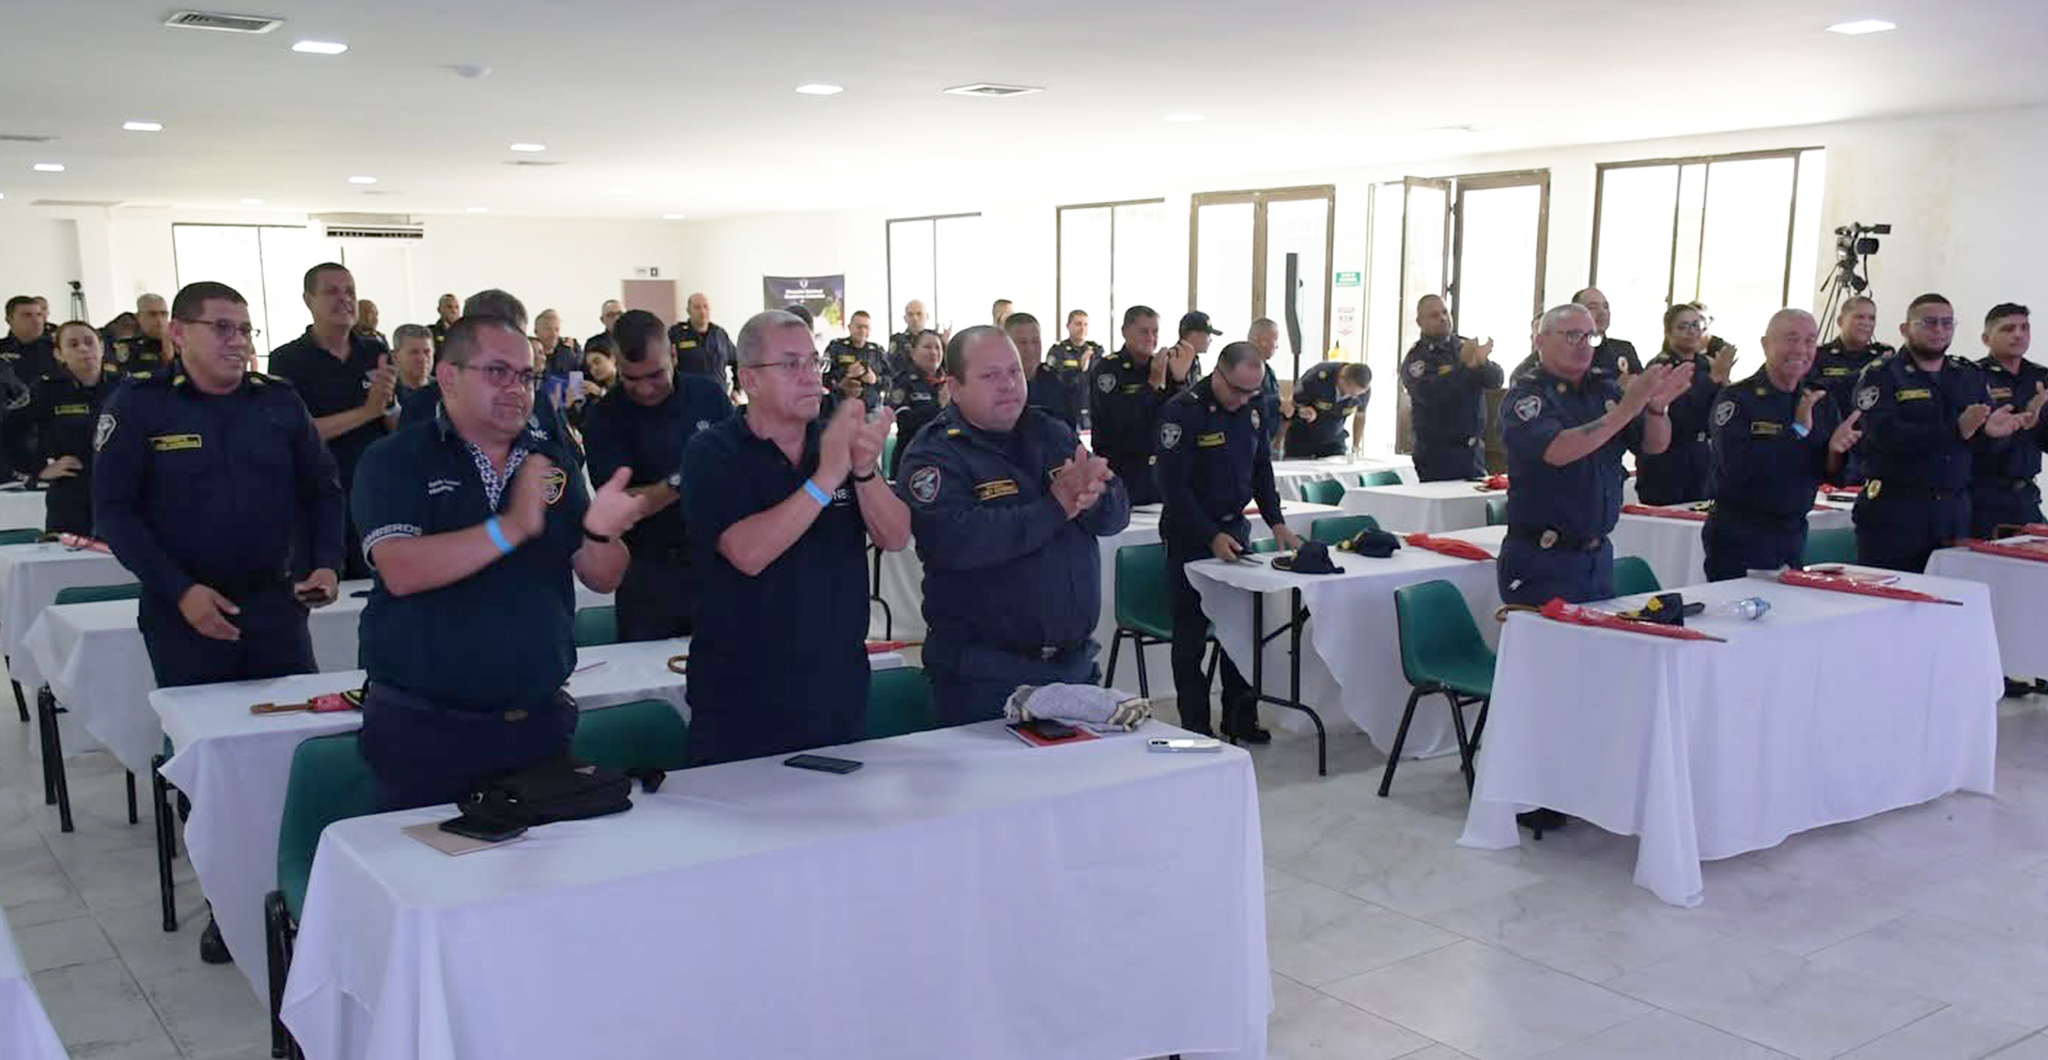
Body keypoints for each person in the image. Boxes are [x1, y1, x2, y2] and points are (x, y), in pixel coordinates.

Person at [93, 280, 345, 961]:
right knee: (210, 767)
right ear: (178, 334)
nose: (238, 341)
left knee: (297, 749)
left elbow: (321, 488)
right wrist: (179, 591)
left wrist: (325, 562)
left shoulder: (277, 402)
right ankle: (224, 900)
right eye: (222, 328)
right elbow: (113, 513)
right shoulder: (140, 405)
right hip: (185, 616)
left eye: (245, 329)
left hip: (274, 606)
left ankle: (306, 889)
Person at [352, 315, 644, 811]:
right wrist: (509, 528)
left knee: (544, 883)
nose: (516, 389)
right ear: (448, 377)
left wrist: (601, 530)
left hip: (537, 723)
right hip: (426, 729)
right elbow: (400, 570)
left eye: (526, 376)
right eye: (497, 373)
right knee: (432, 878)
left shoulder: (549, 461)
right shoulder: (397, 458)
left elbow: (602, 576)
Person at [680, 310, 910, 765]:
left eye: (814, 363)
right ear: (750, 379)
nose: (811, 378)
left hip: (835, 691)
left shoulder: (834, 443)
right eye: (791, 365)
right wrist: (826, 479)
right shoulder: (713, 451)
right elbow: (748, 553)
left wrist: (863, 468)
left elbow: (896, 535)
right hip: (743, 699)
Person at [898, 326, 1127, 723]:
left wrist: (1095, 497)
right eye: (990, 376)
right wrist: (1055, 506)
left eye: (1014, 372)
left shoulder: (1051, 431)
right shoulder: (934, 454)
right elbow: (957, 541)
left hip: (1073, 667)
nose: (1007, 386)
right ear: (954, 386)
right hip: (984, 678)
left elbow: (1116, 516)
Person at [1156, 342, 1304, 741]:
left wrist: (1276, 522)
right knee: (1190, 639)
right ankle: (1196, 726)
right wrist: (1209, 535)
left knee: (1240, 632)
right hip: (1190, 534)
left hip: (1235, 532)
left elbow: (1261, 471)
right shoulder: (1182, 411)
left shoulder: (1253, 410)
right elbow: (1174, 487)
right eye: (1236, 391)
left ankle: (1240, 717)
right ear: (1218, 374)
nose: (1242, 400)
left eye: (1251, 393)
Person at [1498, 304, 1688, 606]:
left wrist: (1656, 408)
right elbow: (1558, 450)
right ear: (1541, 341)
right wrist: (1627, 409)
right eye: (1573, 336)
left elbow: (1653, 446)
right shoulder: (1527, 396)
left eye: (1590, 336)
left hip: (1596, 556)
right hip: (1543, 557)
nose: (1584, 345)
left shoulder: (1603, 388)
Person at [581, 310, 733, 641]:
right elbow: (617, 506)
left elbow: (737, 469)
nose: (646, 389)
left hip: (717, 564)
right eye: (631, 379)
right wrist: (682, 480)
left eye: (655, 375)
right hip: (647, 575)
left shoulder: (709, 397)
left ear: (673, 356)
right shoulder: (605, 417)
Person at [1853, 293, 2024, 572]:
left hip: (1954, 512)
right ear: (1905, 329)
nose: (1940, 330)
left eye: (1947, 323)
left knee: (1948, 604)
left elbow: (1977, 446)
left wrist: (1993, 435)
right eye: (1929, 323)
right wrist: (1955, 430)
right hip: (1896, 512)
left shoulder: (1967, 374)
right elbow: (1884, 436)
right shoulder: (1881, 374)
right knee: (1892, 606)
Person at [1702, 309, 1861, 580]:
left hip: (1793, 534)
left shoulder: (1820, 399)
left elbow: (1831, 474)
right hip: (1741, 534)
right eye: (1791, 339)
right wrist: (1796, 431)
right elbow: (1739, 468)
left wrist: (1836, 451)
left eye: (1810, 341)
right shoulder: (1738, 399)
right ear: (1765, 344)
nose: (1801, 349)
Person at [268, 263, 396, 581]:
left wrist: (389, 405)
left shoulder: (375, 351)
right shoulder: (287, 359)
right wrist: (367, 411)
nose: (344, 299)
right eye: (332, 291)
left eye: (350, 291)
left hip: (373, 493)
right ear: (308, 300)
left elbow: (391, 424)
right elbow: (297, 435)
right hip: (319, 501)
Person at [4, 322, 114, 533]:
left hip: (123, 491)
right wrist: (38, 469)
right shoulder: (47, 390)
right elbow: (8, 431)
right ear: (59, 354)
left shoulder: (125, 387)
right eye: (73, 344)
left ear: (101, 347)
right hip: (72, 494)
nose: (83, 349)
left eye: (89, 342)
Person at [1088, 306, 1196, 505]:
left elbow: (1184, 418)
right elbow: (1117, 423)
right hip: (1121, 474)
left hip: (1158, 475)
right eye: (1143, 331)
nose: (1151, 338)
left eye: (1155, 332)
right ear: (1124, 332)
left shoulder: (1164, 366)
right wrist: (1152, 385)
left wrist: (1180, 381)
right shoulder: (1108, 369)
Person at [1634, 303, 1734, 504]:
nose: (1691, 332)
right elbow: (1679, 414)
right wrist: (1714, 380)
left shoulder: (1707, 364)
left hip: (1702, 456)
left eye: (1695, 325)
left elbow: (1721, 411)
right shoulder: (1661, 365)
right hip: (1669, 459)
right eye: (1683, 326)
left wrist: (1723, 381)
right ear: (1669, 332)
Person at [1970, 303, 2048, 538]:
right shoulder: (1971, 377)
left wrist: (2037, 424)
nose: (2018, 334)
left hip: (2026, 495)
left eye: (2024, 328)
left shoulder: (2042, 377)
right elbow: (1959, 441)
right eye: (2008, 329)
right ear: (1986, 338)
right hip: (1981, 497)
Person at [1402, 295, 1501, 479]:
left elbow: (1496, 380)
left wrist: (1481, 363)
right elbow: (1430, 394)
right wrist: (1465, 368)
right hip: (1438, 454)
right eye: (1434, 315)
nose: (1443, 318)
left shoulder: (1464, 346)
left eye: (1445, 312)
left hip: (1473, 452)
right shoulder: (1417, 359)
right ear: (1419, 322)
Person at [1804, 296, 1894, 485]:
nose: (1866, 323)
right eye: (1859, 317)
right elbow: (1817, 391)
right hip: (1831, 445)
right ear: (1840, 321)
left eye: (1872, 318)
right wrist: (1864, 373)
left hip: (1870, 444)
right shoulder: (1820, 355)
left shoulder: (1882, 355)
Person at [886, 330, 947, 479]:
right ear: (913, 352)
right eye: (927, 347)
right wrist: (939, 406)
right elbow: (906, 424)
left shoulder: (949, 382)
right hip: (912, 461)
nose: (933, 352)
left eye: (937, 347)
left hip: (945, 461)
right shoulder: (903, 381)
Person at [1008, 312, 1082, 430]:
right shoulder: (998, 387)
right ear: (1007, 345)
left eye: (1035, 341)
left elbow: (1070, 433)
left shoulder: (1056, 382)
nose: (1030, 349)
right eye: (1022, 342)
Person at [1286, 361, 1371, 458]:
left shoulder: (1362, 390)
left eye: (1358, 393)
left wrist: (1356, 446)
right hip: (1303, 436)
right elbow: (1294, 403)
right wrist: (1303, 409)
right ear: (1341, 380)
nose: (1354, 396)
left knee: (1337, 470)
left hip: (1333, 439)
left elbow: (1360, 416)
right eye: (1351, 392)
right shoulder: (1317, 376)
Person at [823, 310, 886, 417]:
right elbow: (823, 378)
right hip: (841, 410)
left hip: (870, 410)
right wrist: (846, 374)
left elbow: (890, 380)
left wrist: (875, 379)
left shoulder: (877, 351)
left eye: (866, 327)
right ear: (849, 327)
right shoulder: (836, 347)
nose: (862, 331)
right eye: (859, 327)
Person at [671, 292, 738, 393]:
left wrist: (736, 389)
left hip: (719, 398)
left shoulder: (719, 334)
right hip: (689, 399)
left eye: (705, 307)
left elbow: (738, 361)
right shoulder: (676, 334)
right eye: (697, 307)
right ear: (688, 311)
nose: (702, 311)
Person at [1048, 309, 1102, 428]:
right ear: (1068, 326)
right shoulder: (1058, 350)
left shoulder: (1096, 351)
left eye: (1085, 324)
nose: (1082, 328)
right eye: (1078, 324)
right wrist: (1079, 368)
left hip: (1091, 411)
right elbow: (1054, 381)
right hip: (1066, 411)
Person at [1, 295, 55, 403]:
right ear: (9, 320)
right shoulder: (2, 349)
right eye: (27, 315)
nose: (36, 321)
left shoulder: (58, 350)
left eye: (39, 315)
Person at [109, 293, 174, 379]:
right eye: (152, 314)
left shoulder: (180, 342)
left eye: (164, 314)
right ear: (138, 317)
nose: (160, 321)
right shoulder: (129, 347)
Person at [1247, 318, 1286, 444]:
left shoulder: (1268, 371)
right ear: (1263, 340)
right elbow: (1245, 403)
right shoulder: (1243, 367)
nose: (1277, 346)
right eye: (1275, 339)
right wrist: (1280, 403)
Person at [389, 324, 435, 407]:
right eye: (414, 352)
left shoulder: (446, 391)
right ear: (395, 357)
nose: (422, 359)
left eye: (427, 352)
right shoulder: (384, 396)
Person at [887, 299, 930, 377]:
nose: (915, 318)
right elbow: (891, 368)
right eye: (910, 314)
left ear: (927, 316)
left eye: (919, 314)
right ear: (905, 318)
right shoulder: (898, 340)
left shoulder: (935, 340)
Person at [534, 309, 581, 377]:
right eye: (548, 329)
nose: (553, 335)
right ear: (536, 331)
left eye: (557, 330)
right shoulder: (527, 353)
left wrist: (572, 353)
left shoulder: (571, 349)